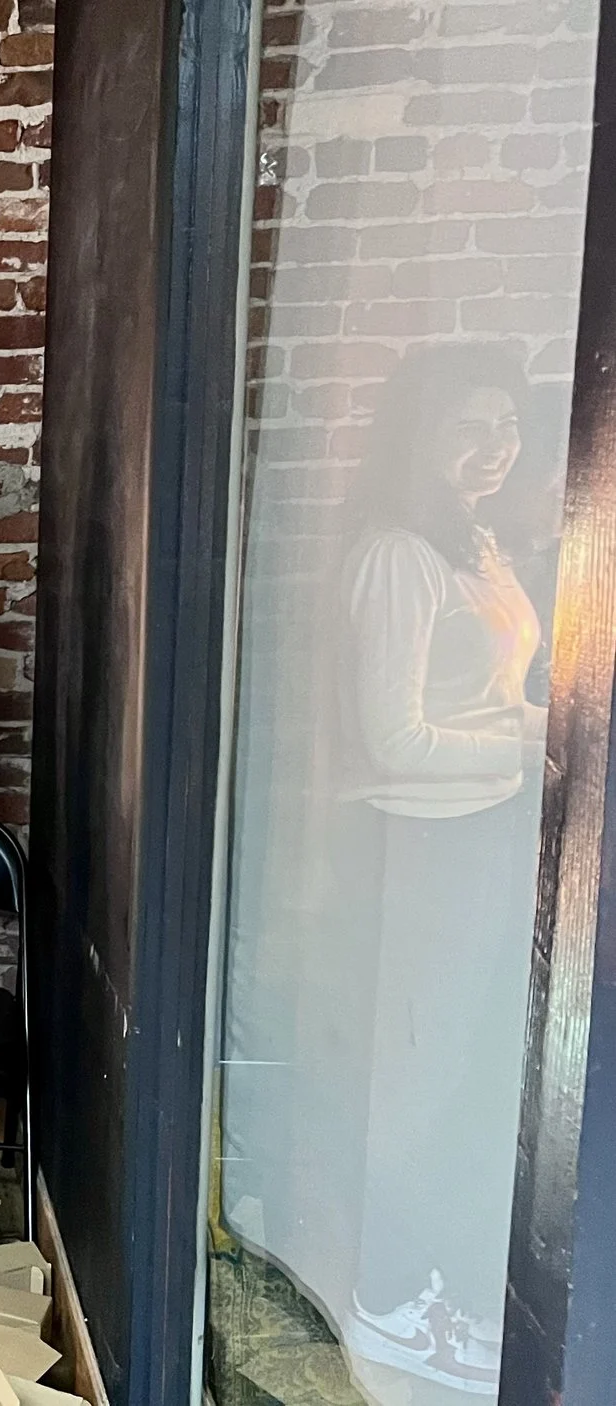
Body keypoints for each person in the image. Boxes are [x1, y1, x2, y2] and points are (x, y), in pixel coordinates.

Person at [329, 345, 543, 1398]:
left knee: (461, 1076)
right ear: (418, 435)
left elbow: (490, 697)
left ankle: (433, 1288)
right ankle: (392, 1302)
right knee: (416, 1080)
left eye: (506, 425)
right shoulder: (398, 553)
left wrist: (533, 726)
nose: (494, 446)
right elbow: (395, 737)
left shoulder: (476, 541)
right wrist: (536, 744)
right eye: (467, 426)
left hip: (482, 832)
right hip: (420, 840)